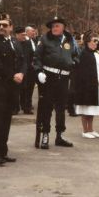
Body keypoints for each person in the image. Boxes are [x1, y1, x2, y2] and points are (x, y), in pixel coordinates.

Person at [33, 16, 79, 149]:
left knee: (61, 108)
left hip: (64, 78)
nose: (54, 28)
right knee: (47, 107)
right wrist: (39, 71)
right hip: (49, 77)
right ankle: (45, 134)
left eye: (57, 26)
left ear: (63, 27)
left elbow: (76, 54)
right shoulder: (45, 39)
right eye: (52, 26)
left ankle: (60, 135)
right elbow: (37, 57)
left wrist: (74, 62)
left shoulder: (70, 39)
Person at [0, 13, 26, 166]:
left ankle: (3, 151)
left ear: (11, 28)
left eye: (4, 25)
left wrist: (21, 72)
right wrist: (13, 75)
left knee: (7, 119)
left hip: (12, 87)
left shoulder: (15, 42)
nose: (1, 27)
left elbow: (22, 60)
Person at [74, 30, 99, 139]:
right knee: (86, 108)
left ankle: (91, 129)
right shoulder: (83, 54)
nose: (96, 43)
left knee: (92, 109)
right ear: (88, 42)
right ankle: (85, 130)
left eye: (97, 41)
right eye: (94, 41)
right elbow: (80, 72)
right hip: (86, 86)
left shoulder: (98, 54)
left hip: (97, 85)